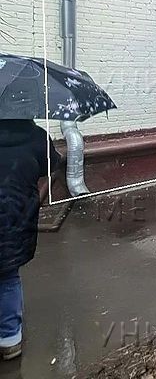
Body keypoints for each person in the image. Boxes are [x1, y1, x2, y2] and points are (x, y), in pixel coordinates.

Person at [0, 120, 62, 360]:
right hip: (16, 218)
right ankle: (10, 340)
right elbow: (51, 166)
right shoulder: (35, 136)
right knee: (7, 276)